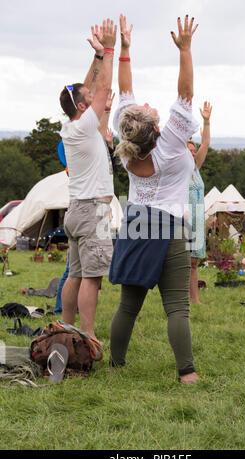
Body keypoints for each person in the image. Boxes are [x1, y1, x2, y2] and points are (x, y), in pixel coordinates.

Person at [109, 14, 199, 384]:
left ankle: (115, 365)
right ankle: (187, 375)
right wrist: (186, 49)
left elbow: (126, 92)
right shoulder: (173, 145)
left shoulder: (127, 144)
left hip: (135, 223)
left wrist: (125, 52)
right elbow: (186, 93)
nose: (145, 104)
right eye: (147, 110)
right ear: (155, 128)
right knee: (176, 307)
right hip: (169, 226)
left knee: (128, 306)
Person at [59, 18, 117, 352]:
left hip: (76, 210)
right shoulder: (84, 126)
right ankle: (88, 336)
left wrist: (95, 58)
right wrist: (109, 50)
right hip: (93, 210)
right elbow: (103, 90)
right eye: (87, 97)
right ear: (83, 107)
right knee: (91, 278)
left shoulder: (71, 125)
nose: (92, 95)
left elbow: (81, 89)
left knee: (75, 275)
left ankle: (66, 328)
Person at [188, 101, 212, 304]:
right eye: (188, 150)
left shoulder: (195, 170)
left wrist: (206, 122)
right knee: (179, 264)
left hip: (197, 222)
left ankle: (194, 299)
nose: (192, 152)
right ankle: (178, 299)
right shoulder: (177, 172)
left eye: (193, 150)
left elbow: (205, 145)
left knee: (194, 262)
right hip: (181, 223)